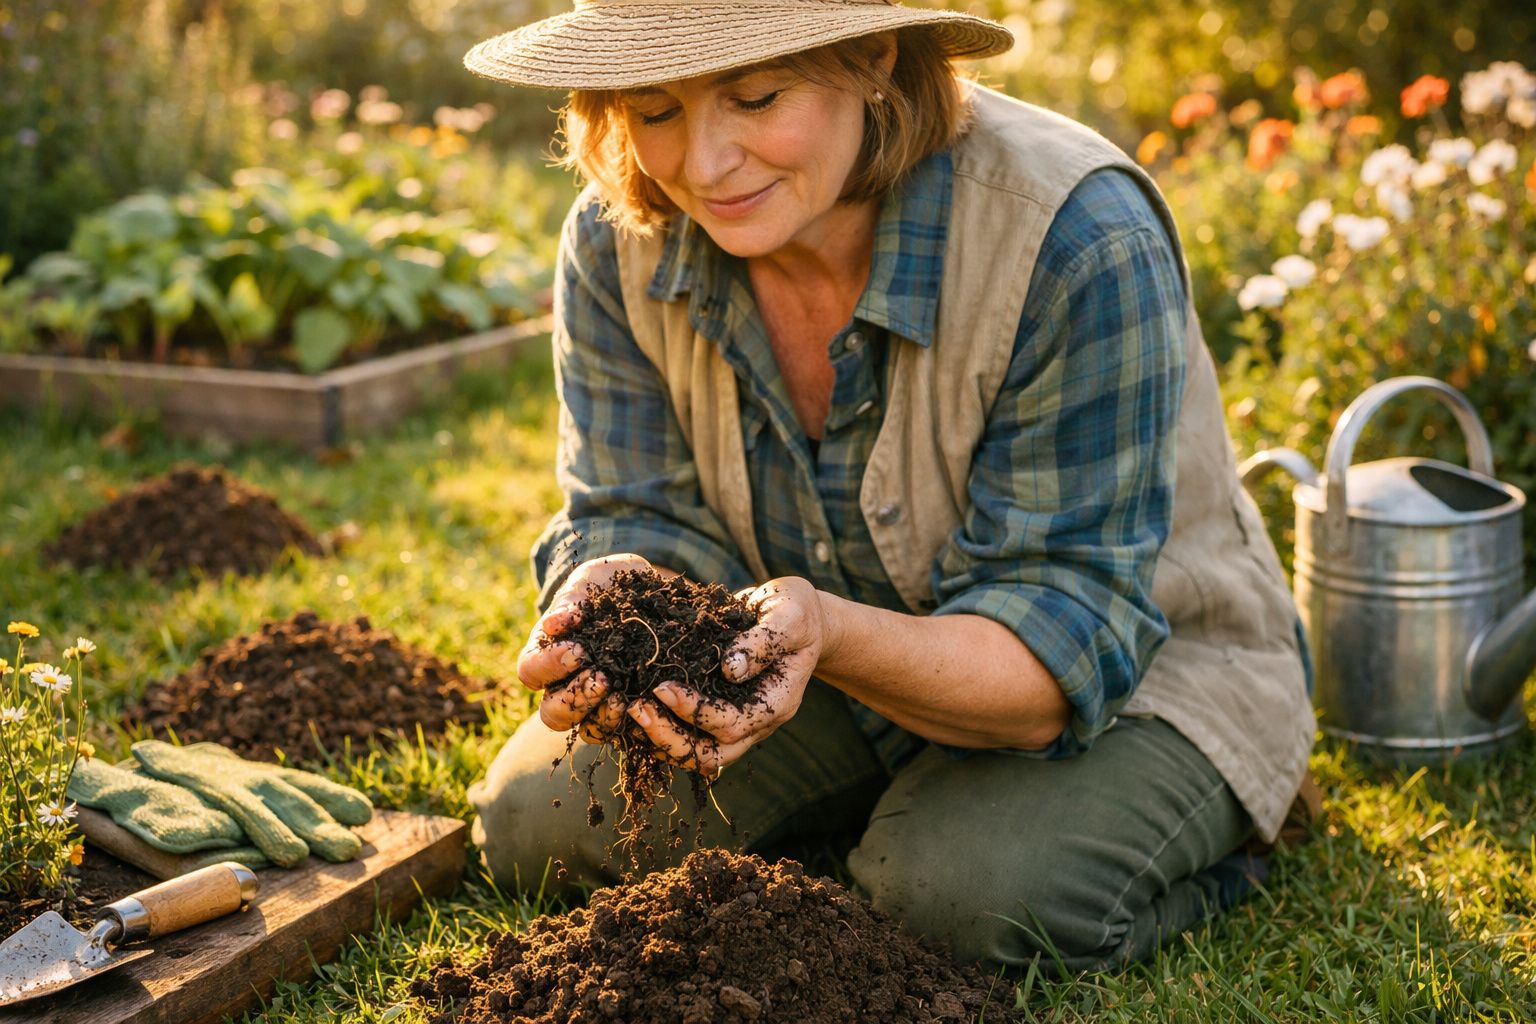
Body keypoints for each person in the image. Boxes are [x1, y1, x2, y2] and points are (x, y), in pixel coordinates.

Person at [463, 0, 1315, 973]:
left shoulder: (1076, 235)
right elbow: (639, 508)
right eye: (655, 110)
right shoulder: (620, 240)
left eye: (754, 96)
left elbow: (1059, 639)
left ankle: (1233, 812)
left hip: (1133, 674)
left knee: (958, 902)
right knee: (541, 826)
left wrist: (829, 629)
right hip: (805, 661)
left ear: (870, 55)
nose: (704, 164)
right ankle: (896, 803)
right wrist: (620, 591)